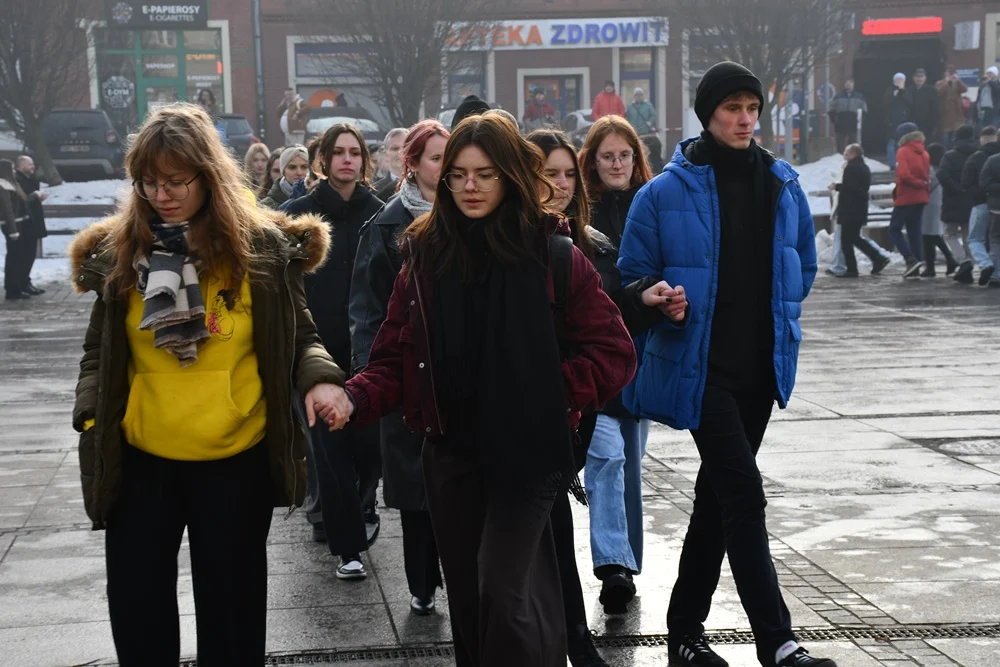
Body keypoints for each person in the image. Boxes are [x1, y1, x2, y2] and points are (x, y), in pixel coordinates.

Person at [333, 113, 638, 667]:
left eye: (485, 174)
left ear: (511, 176)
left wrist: (548, 395)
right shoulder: (424, 257)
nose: (469, 186)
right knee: (472, 604)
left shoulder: (553, 254)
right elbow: (395, 357)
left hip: (529, 454)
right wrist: (352, 397)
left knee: (504, 590)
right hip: (451, 454)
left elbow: (614, 351)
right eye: (458, 174)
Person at [67, 103, 347, 666]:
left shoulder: (260, 250)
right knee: (138, 615)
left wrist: (321, 381)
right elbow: (100, 352)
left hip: (235, 461)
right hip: (141, 461)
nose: (161, 195)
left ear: (209, 175)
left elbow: (301, 337)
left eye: (175, 181)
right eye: (148, 183)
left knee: (232, 618)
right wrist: (92, 414)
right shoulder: (123, 255)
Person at [618, 61, 835, 667]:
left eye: (752, 108)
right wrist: (655, 298)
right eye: (733, 108)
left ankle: (684, 632)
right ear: (707, 115)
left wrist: (780, 315)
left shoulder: (782, 184)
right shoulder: (663, 193)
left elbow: (802, 268)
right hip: (700, 370)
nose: (745, 119)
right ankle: (778, 642)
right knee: (743, 494)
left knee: (717, 499)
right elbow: (630, 277)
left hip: (760, 371)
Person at [528, 128, 682, 666]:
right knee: (570, 493)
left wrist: (648, 299)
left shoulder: (591, 241)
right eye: (550, 174)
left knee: (613, 468)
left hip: (591, 393)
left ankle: (606, 581)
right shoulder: (514, 242)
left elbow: (612, 310)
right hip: (531, 403)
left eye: (567, 174)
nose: (562, 184)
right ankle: (580, 609)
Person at [349, 119, 449, 615]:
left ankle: (456, 573)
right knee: (413, 485)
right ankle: (422, 582)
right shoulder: (387, 225)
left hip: (454, 375)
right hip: (408, 374)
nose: (445, 168)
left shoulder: (467, 213)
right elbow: (367, 309)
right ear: (412, 164)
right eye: (436, 158)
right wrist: (375, 375)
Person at [282, 123, 384, 579]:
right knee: (328, 445)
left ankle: (359, 508)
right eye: (338, 152)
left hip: (368, 348)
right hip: (314, 349)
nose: (347, 159)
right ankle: (348, 545)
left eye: (354, 152)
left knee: (368, 447)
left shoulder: (380, 213)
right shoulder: (296, 215)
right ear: (322, 160)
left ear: (364, 161)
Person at [577, 115, 655, 615]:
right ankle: (614, 567)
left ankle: (627, 560)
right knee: (607, 461)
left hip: (641, 350)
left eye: (624, 155)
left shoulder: (651, 202)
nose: (617, 164)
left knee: (631, 462)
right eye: (607, 156)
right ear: (593, 160)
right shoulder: (581, 209)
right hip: (598, 354)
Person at [828, 144, 890, 277]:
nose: (844, 155)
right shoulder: (863, 167)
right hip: (859, 208)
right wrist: (839, 186)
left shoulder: (851, 168)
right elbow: (856, 186)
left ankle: (854, 268)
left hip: (850, 209)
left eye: (847, 153)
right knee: (854, 238)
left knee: (847, 240)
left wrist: (838, 187)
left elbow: (850, 188)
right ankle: (877, 258)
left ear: (854, 154)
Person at [958, 125, 1000, 285]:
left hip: (981, 203)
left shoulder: (978, 158)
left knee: (975, 238)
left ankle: (986, 264)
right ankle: (996, 273)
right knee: (994, 239)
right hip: (995, 205)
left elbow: (967, 182)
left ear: (982, 139)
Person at [889, 122, 931, 277]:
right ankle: (916, 264)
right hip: (921, 197)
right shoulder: (924, 152)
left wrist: (914, 182)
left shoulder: (903, 151)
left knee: (894, 229)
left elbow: (903, 174)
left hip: (906, 196)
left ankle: (910, 259)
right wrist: (922, 184)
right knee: (914, 231)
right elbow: (926, 175)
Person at [937, 124, 978, 274]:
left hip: (952, 200)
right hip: (972, 200)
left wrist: (955, 188)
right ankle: (969, 264)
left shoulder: (950, 156)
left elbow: (941, 174)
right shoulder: (977, 154)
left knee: (949, 233)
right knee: (968, 235)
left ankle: (963, 260)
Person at [918, 143, 958, 277]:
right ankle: (946, 260)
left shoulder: (928, 168)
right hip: (938, 201)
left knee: (928, 235)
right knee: (932, 234)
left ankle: (934, 266)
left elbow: (925, 184)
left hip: (928, 203)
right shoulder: (943, 167)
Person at [14, 155, 49, 295]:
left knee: (30, 254)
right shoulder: (18, 180)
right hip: (26, 222)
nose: (33, 167)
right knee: (26, 254)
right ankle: (22, 283)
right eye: (30, 164)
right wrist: (36, 195)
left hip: (33, 221)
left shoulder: (28, 178)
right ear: (22, 166)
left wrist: (37, 195)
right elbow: (24, 200)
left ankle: (26, 281)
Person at [1, 159, 30, 300]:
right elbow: (7, 210)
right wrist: (13, 230)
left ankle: (15, 287)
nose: (14, 171)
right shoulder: (3, 186)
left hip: (17, 223)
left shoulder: (11, 184)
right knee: (13, 257)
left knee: (17, 256)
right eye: (12, 169)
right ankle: (12, 289)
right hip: (11, 226)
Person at [260, 145, 309, 209]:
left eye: (304, 167)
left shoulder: (319, 199)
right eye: (292, 167)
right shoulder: (266, 206)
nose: (299, 173)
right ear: (283, 171)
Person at [626, 88, 662, 171]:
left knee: (646, 151)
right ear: (634, 96)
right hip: (635, 133)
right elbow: (627, 118)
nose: (639, 96)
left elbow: (653, 115)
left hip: (645, 133)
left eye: (640, 95)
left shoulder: (648, 105)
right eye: (637, 95)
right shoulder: (631, 107)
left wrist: (649, 122)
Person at [979, 145, 1000, 287]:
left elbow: (984, 184)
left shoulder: (992, 160)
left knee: (995, 240)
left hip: (996, 207)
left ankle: (996, 274)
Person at [828, 78, 867, 153]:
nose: (848, 85)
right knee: (840, 143)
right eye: (847, 83)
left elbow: (864, 110)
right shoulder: (838, 96)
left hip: (853, 124)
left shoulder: (859, 97)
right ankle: (839, 157)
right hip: (840, 124)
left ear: (853, 85)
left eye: (850, 83)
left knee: (854, 143)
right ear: (844, 84)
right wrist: (834, 120)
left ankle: (855, 156)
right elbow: (831, 109)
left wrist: (860, 121)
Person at [883, 73, 912, 169]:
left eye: (901, 80)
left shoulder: (907, 91)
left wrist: (901, 92)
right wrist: (894, 95)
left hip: (903, 120)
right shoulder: (890, 90)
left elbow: (910, 103)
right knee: (891, 142)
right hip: (891, 121)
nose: (899, 81)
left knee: (901, 143)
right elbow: (885, 103)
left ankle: (900, 163)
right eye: (897, 79)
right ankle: (892, 164)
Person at [936, 67, 968, 148]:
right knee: (945, 138)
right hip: (945, 114)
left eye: (952, 73)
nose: (950, 75)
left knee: (955, 136)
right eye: (948, 73)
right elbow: (938, 92)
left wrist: (958, 80)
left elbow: (965, 89)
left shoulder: (956, 83)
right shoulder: (940, 83)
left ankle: (954, 149)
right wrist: (946, 83)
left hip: (957, 114)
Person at [372, 128, 407, 202]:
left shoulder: (426, 186)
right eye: (395, 148)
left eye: (405, 147)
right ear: (385, 155)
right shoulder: (373, 191)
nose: (400, 152)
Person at [908, 68, 939, 141]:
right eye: (917, 76)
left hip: (927, 125)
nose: (919, 79)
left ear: (925, 78)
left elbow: (936, 109)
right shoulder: (909, 90)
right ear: (913, 78)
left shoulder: (932, 90)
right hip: (912, 124)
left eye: (921, 76)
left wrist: (933, 125)